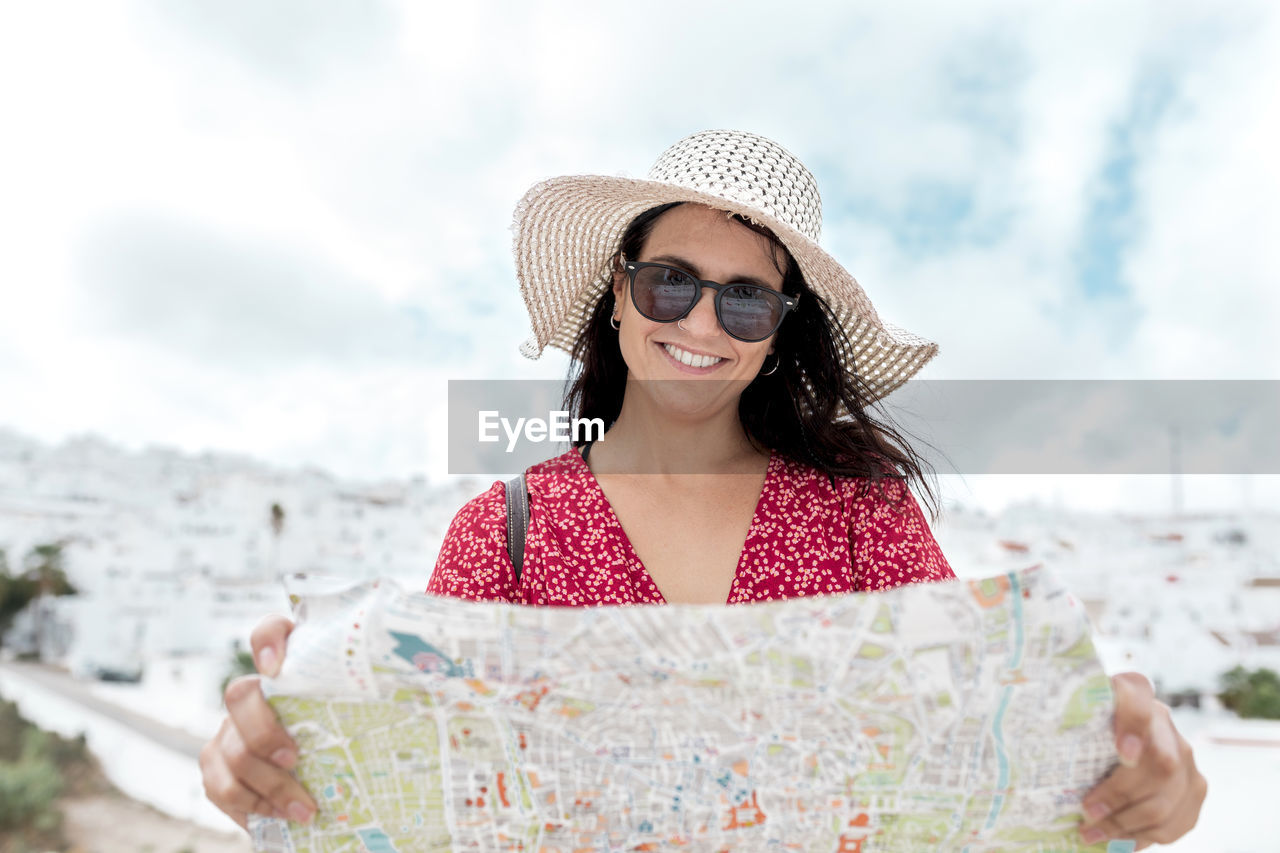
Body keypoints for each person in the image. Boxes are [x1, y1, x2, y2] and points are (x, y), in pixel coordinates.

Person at [200, 130, 1206, 847]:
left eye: (745, 297)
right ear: (619, 293)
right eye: (670, 280)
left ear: (777, 334)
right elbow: (426, 798)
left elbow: (980, 767)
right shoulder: (499, 533)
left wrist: (1138, 781)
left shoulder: (864, 517)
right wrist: (279, 761)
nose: (700, 322)